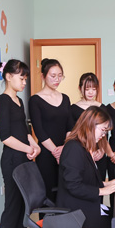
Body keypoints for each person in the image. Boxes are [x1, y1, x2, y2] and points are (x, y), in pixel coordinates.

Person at [0, 60, 41, 228]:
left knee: (24, 206)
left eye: (25, 79)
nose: (24, 82)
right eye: (21, 78)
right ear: (8, 76)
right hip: (12, 160)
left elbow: (23, 129)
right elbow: (5, 137)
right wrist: (27, 149)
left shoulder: (19, 101)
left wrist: (34, 145)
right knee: (12, 206)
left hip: (23, 157)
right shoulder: (3, 101)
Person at [29, 58, 72, 203]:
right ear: (43, 76)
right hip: (46, 154)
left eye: (60, 76)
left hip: (66, 152)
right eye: (53, 76)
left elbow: (70, 126)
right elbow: (39, 131)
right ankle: (47, 219)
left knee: (66, 191)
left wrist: (64, 148)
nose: (57, 79)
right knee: (48, 194)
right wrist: (55, 152)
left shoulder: (65, 98)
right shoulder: (35, 100)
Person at [71, 72, 107, 182]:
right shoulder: (73, 108)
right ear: (80, 88)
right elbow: (71, 133)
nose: (91, 92)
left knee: (99, 183)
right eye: (87, 89)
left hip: (98, 154)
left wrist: (102, 150)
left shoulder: (102, 107)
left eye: (94, 89)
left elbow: (105, 133)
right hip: (81, 153)